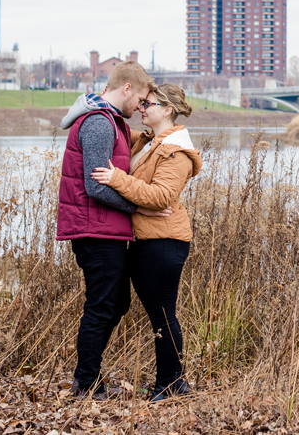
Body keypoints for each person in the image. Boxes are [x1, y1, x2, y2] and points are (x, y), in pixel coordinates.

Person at [56, 61, 170, 401]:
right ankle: (87, 382)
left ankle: (85, 376)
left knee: (115, 302)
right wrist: (140, 207)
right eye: (142, 100)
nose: (142, 107)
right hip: (95, 232)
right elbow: (95, 187)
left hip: (104, 230)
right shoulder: (99, 124)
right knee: (102, 305)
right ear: (127, 89)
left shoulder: (112, 122)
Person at [91, 83, 202, 401]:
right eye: (141, 104)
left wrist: (116, 179)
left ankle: (170, 385)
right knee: (123, 305)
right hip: (145, 239)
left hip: (166, 241)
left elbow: (162, 196)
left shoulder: (176, 151)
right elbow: (114, 125)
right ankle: (172, 382)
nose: (141, 108)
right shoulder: (148, 141)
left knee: (163, 314)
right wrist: (106, 96)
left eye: (148, 104)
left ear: (167, 109)